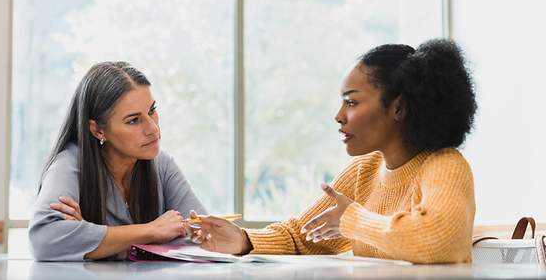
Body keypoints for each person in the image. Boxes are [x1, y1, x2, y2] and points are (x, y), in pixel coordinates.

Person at [192, 39, 477, 264]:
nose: (338, 116)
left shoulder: (445, 165)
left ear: (398, 107)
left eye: (351, 103)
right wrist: (243, 240)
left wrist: (351, 220)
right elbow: (302, 237)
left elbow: (438, 240)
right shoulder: (364, 170)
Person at [28, 62, 206, 261]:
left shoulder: (161, 164)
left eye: (151, 111)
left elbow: (203, 237)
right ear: (97, 130)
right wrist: (150, 231)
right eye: (133, 120)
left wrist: (88, 237)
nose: (153, 128)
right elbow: (44, 240)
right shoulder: (69, 164)